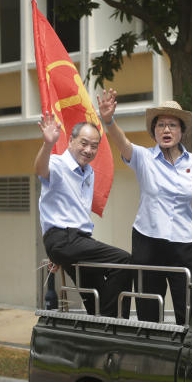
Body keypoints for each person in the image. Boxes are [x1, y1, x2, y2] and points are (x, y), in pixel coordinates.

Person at [98, 90, 192, 325]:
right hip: (147, 242)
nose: (166, 130)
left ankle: (187, 358)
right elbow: (123, 143)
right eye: (160, 125)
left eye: (172, 125)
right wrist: (109, 120)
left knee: (189, 308)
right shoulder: (143, 157)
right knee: (148, 309)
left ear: (182, 131)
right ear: (154, 132)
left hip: (185, 243)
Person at [35, 112, 132, 317]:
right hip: (63, 239)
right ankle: (116, 325)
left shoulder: (89, 172)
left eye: (94, 146)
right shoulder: (58, 164)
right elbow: (41, 169)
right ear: (70, 141)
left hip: (77, 242)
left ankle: (101, 326)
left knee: (96, 294)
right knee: (124, 261)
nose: (88, 150)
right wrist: (47, 144)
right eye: (84, 143)